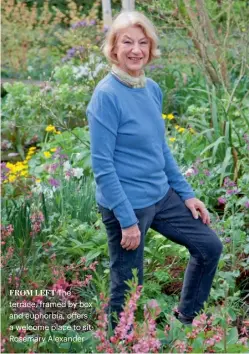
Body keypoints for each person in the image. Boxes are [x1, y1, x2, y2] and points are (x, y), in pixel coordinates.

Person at [86, 11, 223, 330]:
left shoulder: (151, 89)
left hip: (161, 196)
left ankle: (186, 320)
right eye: (127, 42)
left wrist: (187, 195)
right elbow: (103, 166)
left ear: (150, 48)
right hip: (126, 204)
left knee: (208, 246)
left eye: (143, 42)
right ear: (113, 48)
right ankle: (119, 342)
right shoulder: (106, 96)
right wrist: (127, 220)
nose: (136, 49)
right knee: (128, 284)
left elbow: (160, 149)